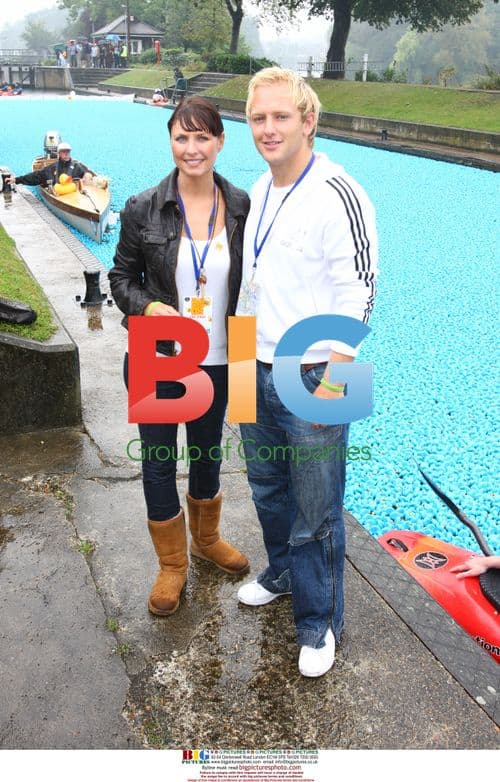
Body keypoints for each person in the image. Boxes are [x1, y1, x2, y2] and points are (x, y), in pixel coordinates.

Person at [236, 68, 378, 677]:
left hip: (318, 368)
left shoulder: (340, 191)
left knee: (318, 503)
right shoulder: (258, 188)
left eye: (281, 117)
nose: (268, 129)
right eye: (258, 118)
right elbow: (251, 285)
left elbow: (360, 294)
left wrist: (331, 381)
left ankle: (319, 623)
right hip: (254, 358)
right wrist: (240, 360)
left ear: (308, 121)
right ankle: (285, 572)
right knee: (267, 488)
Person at [109, 97, 251, 617]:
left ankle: (206, 540)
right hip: (158, 355)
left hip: (219, 357)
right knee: (158, 461)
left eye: (202, 137)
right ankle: (171, 564)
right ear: (171, 142)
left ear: (219, 141)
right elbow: (119, 280)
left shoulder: (240, 205)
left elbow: (253, 287)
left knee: (209, 454)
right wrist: (149, 305)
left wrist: (245, 364)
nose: (192, 148)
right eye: (181, 138)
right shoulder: (142, 207)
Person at [8, 141, 92, 188]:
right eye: (63, 151)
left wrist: (87, 176)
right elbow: (36, 176)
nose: (66, 154)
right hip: (59, 196)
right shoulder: (51, 168)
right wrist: (16, 180)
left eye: (68, 151)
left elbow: (87, 173)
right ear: (59, 153)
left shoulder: (77, 167)